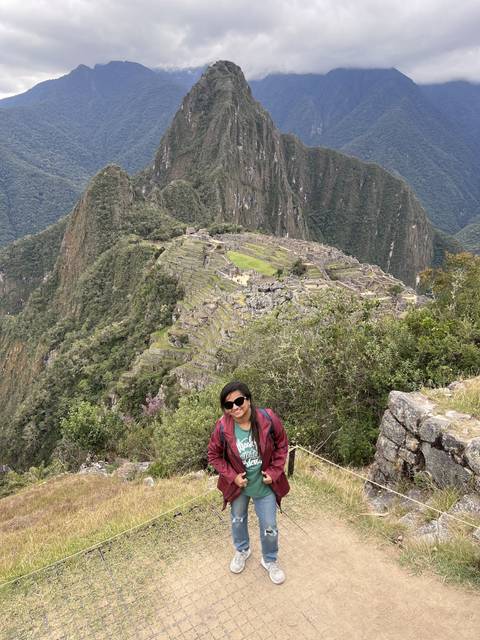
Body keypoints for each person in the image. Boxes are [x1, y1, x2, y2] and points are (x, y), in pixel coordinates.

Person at [207, 381, 290, 584]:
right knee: (237, 520)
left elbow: (282, 445)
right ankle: (242, 550)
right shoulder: (222, 427)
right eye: (229, 405)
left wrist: (274, 471)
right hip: (239, 487)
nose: (235, 407)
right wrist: (232, 476)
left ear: (248, 399)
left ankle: (270, 560)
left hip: (264, 485)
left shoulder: (268, 418)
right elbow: (213, 455)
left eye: (239, 400)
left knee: (270, 526)